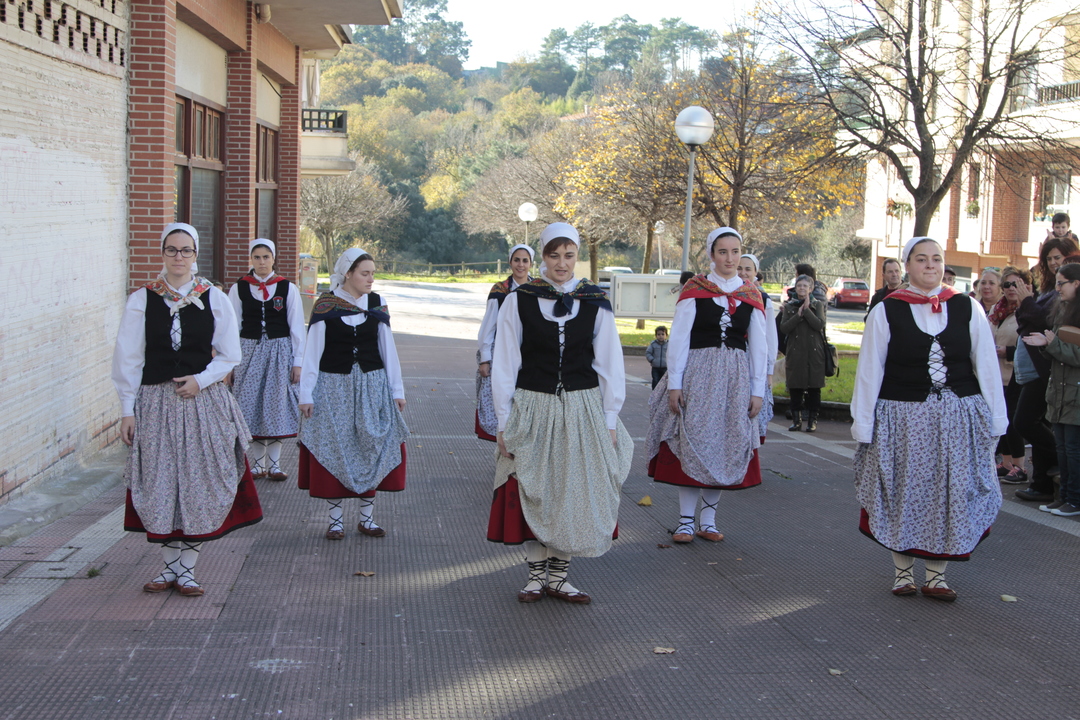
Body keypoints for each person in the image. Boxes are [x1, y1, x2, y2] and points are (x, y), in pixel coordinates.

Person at [112, 223, 262, 597]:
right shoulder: (142, 299)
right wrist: (127, 409)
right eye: (172, 249)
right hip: (156, 402)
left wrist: (201, 379)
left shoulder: (213, 297)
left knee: (199, 481)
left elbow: (230, 354)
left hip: (201, 400)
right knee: (161, 480)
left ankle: (187, 570)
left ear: (195, 255)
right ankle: (168, 567)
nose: (178, 257)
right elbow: (128, 358)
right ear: (162, 253)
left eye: (185, 250)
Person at [852, 237, 1006, 602]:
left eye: (936, 259)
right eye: (922, 259)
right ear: (908, 265)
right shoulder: (887, 311)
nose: (930, 265)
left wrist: (996, 419)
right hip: (902, 417)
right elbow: (869, 370)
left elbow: (986, 365)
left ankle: (937, 576)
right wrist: (864, 423)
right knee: (903, 491)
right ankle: (903, 572)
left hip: (957, 417)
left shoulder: (967, 307)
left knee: (948, 493)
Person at [487, 222, 633, 605]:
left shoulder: (595, 301)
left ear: (577, 256)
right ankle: (536, 575)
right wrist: (503, 420)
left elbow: (610, 364)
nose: (562, 263)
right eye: (554, 255)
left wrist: (610, 418)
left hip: (581, 407)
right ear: (543, 257)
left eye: (569, 255)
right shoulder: (519, 300)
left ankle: (559, 576)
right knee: (534, 486)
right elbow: (505, 363)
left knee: (571, 489)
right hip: (533, 406)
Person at [646, 227, 767, 545]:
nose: (730, 258)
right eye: (723, 252)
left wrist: (757, 391)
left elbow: (759, 348)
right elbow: (679, 339)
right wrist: (675, 383)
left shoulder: (751, 294)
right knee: (694, 443)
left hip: (734, 380)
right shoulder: (695, 289)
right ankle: (686, 521)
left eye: (735, 251)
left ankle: (709, 521)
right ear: (712, 254)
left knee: (724, 444)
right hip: (698, 375)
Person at [297, 248, 409, 540]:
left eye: (372, 273)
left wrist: (397, 390)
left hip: (372, 386)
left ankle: (366, 518)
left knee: (370, 446)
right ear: (347, 274)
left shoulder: (377, 303)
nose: (371, 279)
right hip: (334, 388)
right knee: (337, 446)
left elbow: (388, 349)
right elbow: (312, 353)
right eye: (365, 273)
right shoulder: (326, 305)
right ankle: (335, 521)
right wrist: (306, 393)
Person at [227, 239, 305, 481]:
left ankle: (275, 465)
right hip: (248, 352)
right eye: (257, 257)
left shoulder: (287, 288)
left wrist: (298, 361)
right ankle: (258, 464)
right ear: (251, 259)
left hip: (279, 352)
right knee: (250, 406)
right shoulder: (239, 288)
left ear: (273, 259)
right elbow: (232, 327)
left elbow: (296, 327)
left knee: (275, 406)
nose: (261, 262)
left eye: (266, 257)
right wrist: (230, 363)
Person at [1012, 235, 1080, 502]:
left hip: (1056, 376)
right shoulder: (1054, 291)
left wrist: (1028, 303)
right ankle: (1044, 484)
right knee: (1051, 434)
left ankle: (1068, 494)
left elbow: (1045, 326)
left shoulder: (1067, 302)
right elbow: (1032, 324)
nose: (1053, 263)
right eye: (1049, 259)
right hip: (1047, 374)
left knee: (1030, 423)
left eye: (1058, 258)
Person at [476, 244, 534, 441]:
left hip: (531, 353)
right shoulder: (500, 290)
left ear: (531, 263)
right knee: (502, 399)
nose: (521, 265)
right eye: (517, 260)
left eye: (525, 260)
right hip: (503, 353)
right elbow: (488, 326)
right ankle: (503, 443)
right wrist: (485, 359)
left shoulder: (539, 289)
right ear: (510, 262)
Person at [990, 267, 1031, 485]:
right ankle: (1006, 463)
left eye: (1016, 284)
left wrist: (1008, 351)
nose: (1011, 288)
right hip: (997, 374)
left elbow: (1030, 345)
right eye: (1007, 284)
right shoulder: (998, 310)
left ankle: (1019, 466)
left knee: (1014, 420)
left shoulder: (1028, 309)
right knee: (1001, 418)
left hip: (1017, 372)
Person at [738, 254, 778, 441]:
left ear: (755, 273)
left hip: (753, 358)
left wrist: (769, 370)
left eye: (748, 269)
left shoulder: (762, 298)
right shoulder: (725, 293)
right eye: (739, 268)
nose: (743, 273)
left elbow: (770, 337)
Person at [780, 274, 828, 432]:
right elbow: (784, 328)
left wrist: (806, 311)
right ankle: (796, 420)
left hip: (814, 352)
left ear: (811, 289)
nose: (802, 288)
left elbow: (819, 324)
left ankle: (812, 420)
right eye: (799, 285)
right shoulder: (789, 306)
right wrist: (798, 314)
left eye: (805, 286)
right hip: (795, 352)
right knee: (795, 387)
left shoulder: (818, 304)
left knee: (814, 388)